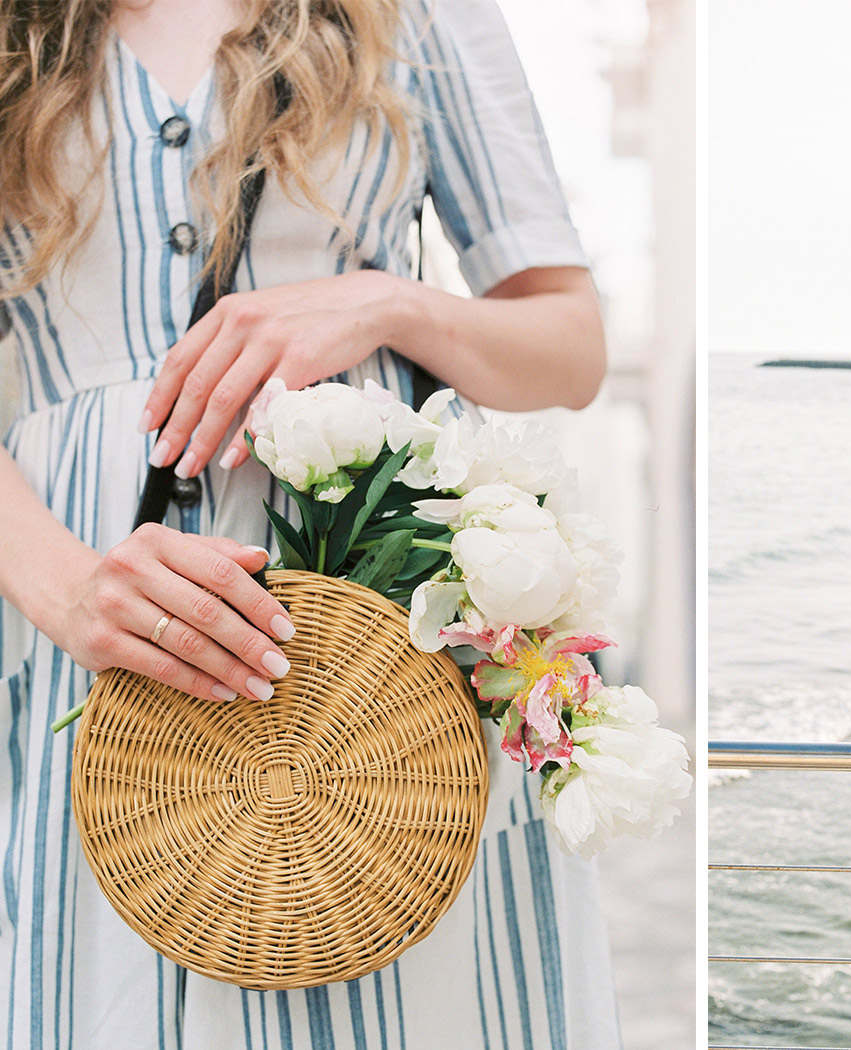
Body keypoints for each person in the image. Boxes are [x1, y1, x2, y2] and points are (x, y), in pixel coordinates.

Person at [0, 1, 620, 1046]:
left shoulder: (419, 11)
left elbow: (568, 346)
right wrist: (65, 587)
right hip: (77, 636)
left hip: (389, 665)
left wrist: (384, 302)